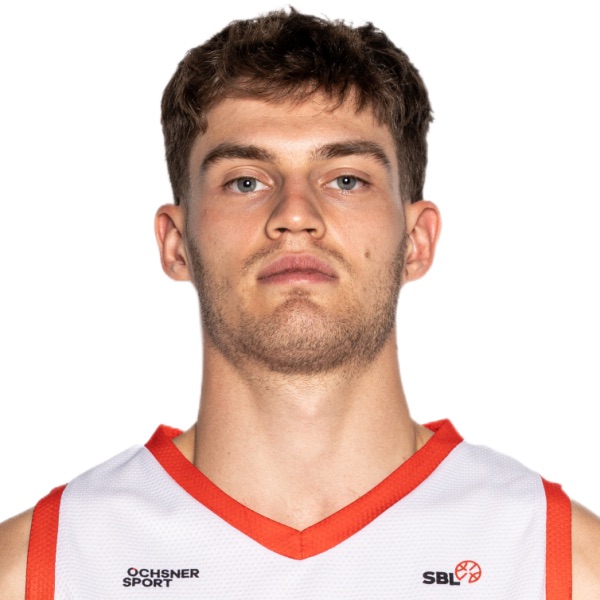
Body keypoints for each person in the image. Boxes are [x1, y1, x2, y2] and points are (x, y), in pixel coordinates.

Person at [1, 7, 599, 598]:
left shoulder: (563, 563)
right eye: (245, 181)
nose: (294, 214)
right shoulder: (38, 568)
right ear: (177, 243)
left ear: (416, 241)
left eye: (346, 179)